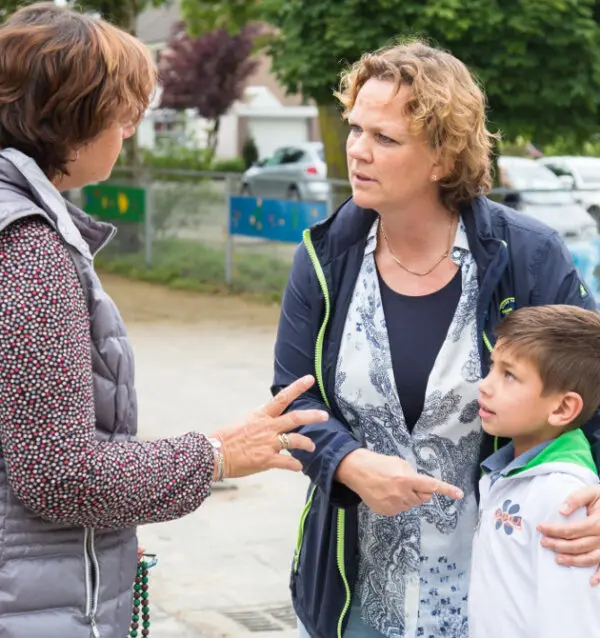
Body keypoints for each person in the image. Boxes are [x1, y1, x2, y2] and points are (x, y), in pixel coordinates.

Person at [0, 4, 326, 638]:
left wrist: (108, 541)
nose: (128, 131)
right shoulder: (27, 251)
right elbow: (59, 473)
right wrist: (216, 455)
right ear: (70, 115)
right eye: (122, 113)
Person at [271, 40, 600, 638]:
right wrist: (347, 463)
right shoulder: (324, 258)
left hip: (499, 589)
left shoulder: (526, 256)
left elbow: (594, 384)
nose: (358, 152)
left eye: (386, 138)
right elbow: (294, 399)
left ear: (443, 157)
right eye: (355, 128)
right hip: (351, 592)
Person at [469, 305, 600, 638]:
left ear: (562, 408)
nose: (485, 385)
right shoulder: (508, 474)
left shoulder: (565, 500)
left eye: (509, 375)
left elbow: (572, 625)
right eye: (492, 368)